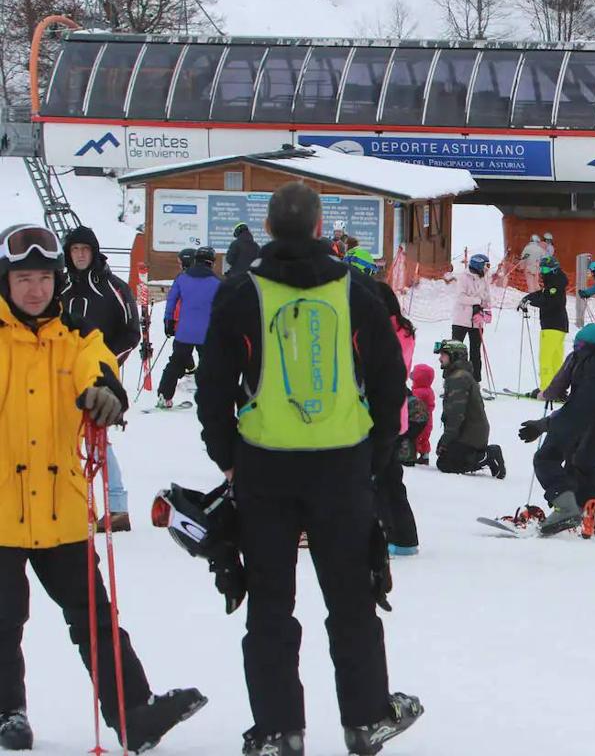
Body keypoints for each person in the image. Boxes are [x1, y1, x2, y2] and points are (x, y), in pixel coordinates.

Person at [195, 183, 421, 754]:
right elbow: (392, 381)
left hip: (264, 466)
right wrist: (376, 452)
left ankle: (278, 731)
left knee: (270, 604)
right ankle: (367, 717)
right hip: (341, 467)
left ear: (268, 229)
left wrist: (227, 456)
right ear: (321, 229)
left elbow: (213, 383)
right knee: (351, 598)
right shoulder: (358, 291)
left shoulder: (241, 290)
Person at [0, 223, 206, 752]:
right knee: (2, 619)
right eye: (22, 278)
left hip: (59, 507)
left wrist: (105, 391)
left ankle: (133, 714)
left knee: (94, 619)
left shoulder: (76, 338)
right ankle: (8, 713)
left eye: (43, 278)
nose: (34, 289)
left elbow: (96, 367)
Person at [61, 225, 140, 532]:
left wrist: (106, 367)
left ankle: (117, 507)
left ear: (94, 253)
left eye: (85, 250)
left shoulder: (115, 288)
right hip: (61, 377)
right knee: (67, 438)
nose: (80, 255)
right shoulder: (60, 288)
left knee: (97, 439)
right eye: (75, 250)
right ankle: (79, 505)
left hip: (99, 378)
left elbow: (131, 333)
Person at [520, 324, 595, 534]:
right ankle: (590, 516)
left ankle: (566, 508)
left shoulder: (581, 355)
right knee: (587, 463)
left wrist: (541, 420)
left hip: (585, 408)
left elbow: (561, 395)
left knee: (546, 458)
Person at [344, 247, 419, 560]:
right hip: (395, 410)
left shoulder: (380, 330)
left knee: (376, 476)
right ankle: (397, 534)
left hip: (376, 411)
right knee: (387, 478)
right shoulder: (404, 330)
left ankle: (389, 534)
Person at [431, 340, 506, 478]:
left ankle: (487, 455)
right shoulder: (459, 376)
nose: (440, 358)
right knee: (445, 457)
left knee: (446, 464)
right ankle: (478, 455)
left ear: (455, 356)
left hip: (470, 435)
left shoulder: (458, 379)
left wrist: (446, 440)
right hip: (469, 433)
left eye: (443, 355)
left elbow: (456, 415)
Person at [158, 245, 220, 409]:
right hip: (207, 333)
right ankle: (212, 400)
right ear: (211, 263)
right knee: (210, 366)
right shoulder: (216, 282)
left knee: (176, 363)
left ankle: (164, 396)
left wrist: (168, 321)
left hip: (184, 331)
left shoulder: (182, 279)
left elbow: (171, 300)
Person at [519, 255, 568, 396]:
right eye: (541, 268)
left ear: (553, 269)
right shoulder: (555, 283)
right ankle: (558, 389)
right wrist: (529, 297)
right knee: (555, 360)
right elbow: (543, 295)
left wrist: (531, 302)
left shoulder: (555, 284)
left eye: (546, 268)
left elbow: (549, 302)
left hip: (552, 326)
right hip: (558, 326)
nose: (543, 272)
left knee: (546, 359)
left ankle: (546, 389)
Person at [451, 253, 492, 383]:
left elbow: (487, 297)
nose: (487, 269)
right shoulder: (463, 277)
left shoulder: (484, 278)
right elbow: (461, 297)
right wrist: (477, 301)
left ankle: (475, 381)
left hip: (476, 321)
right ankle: (453, 380)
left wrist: (486, 310)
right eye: (486, 265)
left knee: (475, 352)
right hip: (461, 320)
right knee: (456, 351)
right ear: (478, 264)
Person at [406, 364, 437, 465]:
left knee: (415, 438)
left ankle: (411, 455)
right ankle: (425, 455)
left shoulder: (418, 393)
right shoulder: (429, 391)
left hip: (420, 421)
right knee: (424, 440)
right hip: (428, 422)